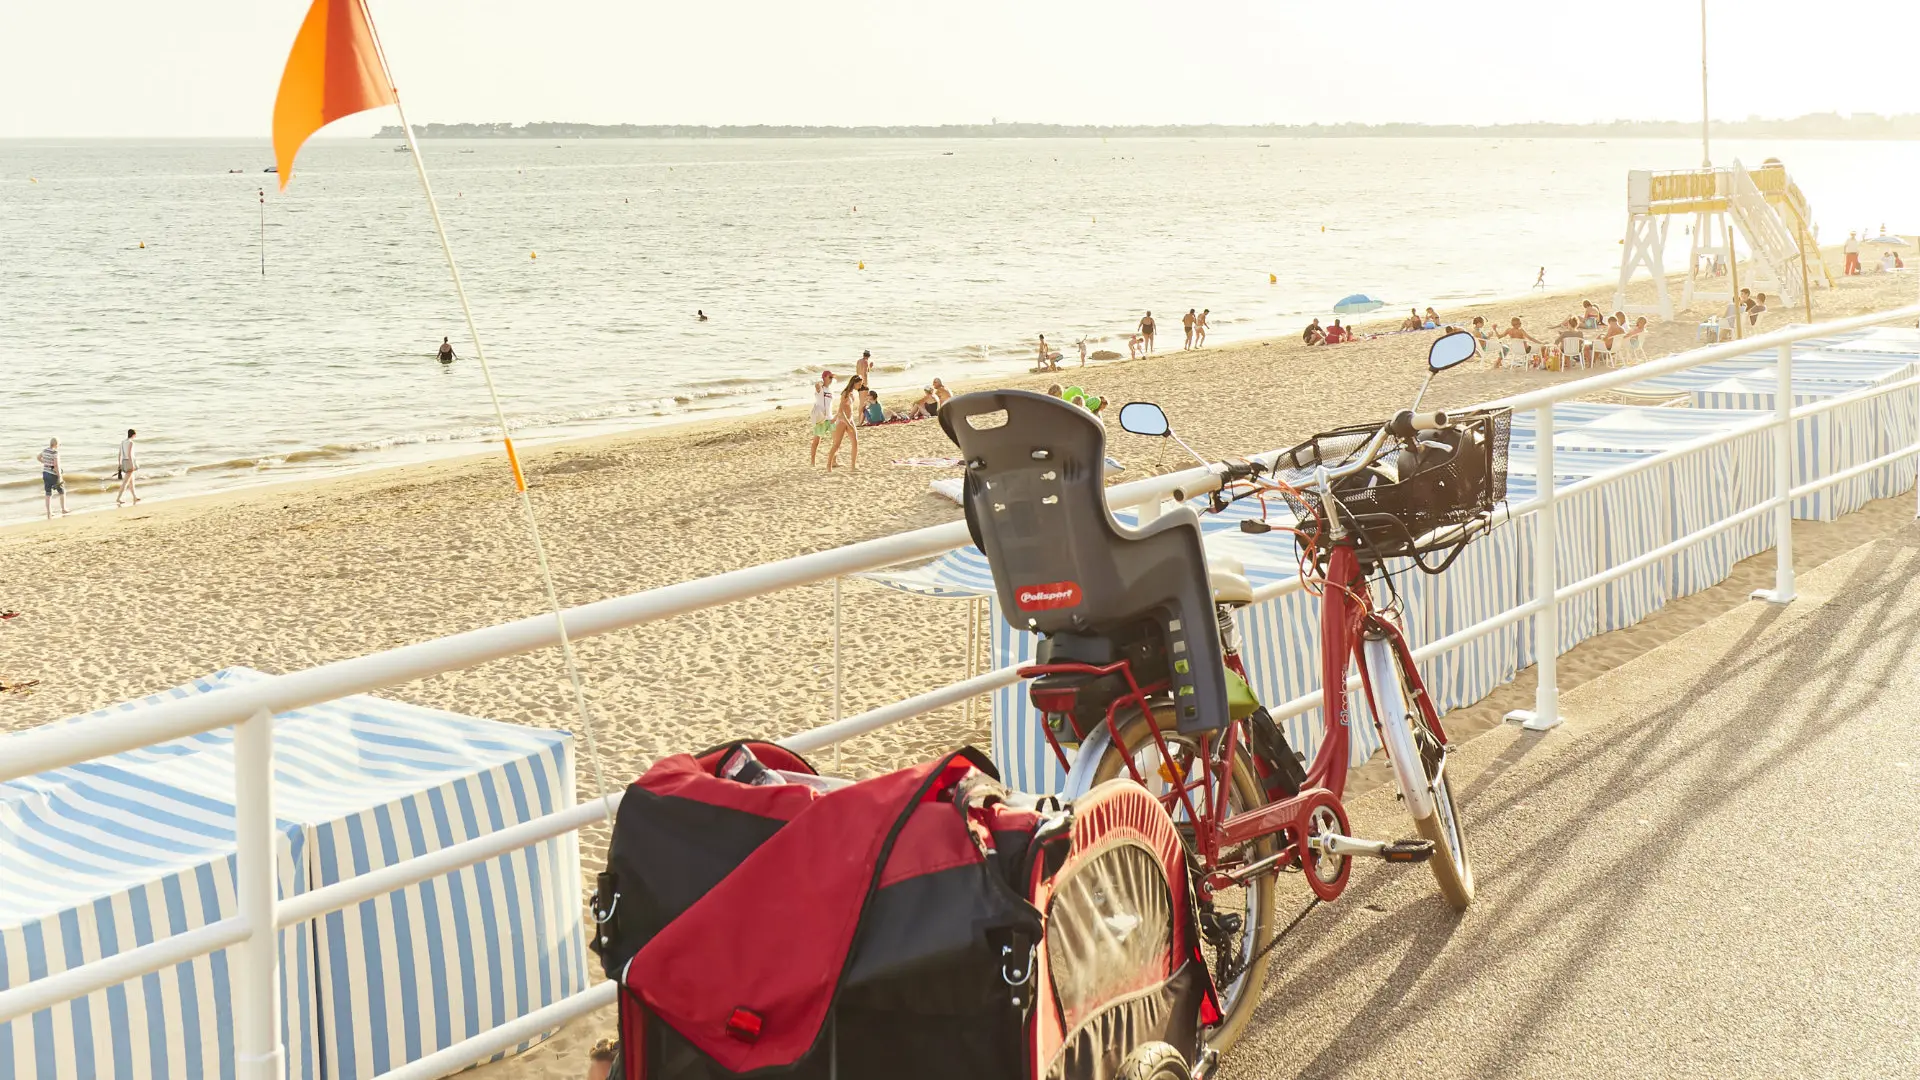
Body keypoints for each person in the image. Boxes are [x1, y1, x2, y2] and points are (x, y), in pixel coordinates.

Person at [827, 376, 863, 471]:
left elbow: (844, 408)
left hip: (850, 419)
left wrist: (849, 422)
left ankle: (853, 466)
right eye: (859, 384)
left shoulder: (852, 393)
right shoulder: (845, 394)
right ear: (854, 383)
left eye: (861, 384)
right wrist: (847, 424)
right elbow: (841, 411)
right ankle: (829, 465)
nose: (860, 386)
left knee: (855, 442)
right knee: (837, 444)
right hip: (843, 420)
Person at [808, 371, 835, 466]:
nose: (831, 379)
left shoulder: (830, 390)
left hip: (830, 418)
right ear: (824, 377)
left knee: (836, 440)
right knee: (816, 441)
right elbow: (817, 386)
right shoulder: (820, 389)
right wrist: (821, 382)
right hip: (821, 418)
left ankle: (834, 461)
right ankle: (812, 462)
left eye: (832, 377)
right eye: (830, 377)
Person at [38, 437, 68, 519]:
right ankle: (63, 509)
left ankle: (49, 512)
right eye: (59, 444)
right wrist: (60, 476)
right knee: (62, 491)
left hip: (45, 473)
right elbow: (56, 465)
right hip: (53, 474)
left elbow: (38, 457)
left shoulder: (45, 450)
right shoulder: (55, 452)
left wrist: (45, 463)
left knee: (48, 493)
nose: (59, 446)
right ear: (56, 444)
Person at [116, 429, 139, 506]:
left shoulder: (122, 442)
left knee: (131, 481)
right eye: (135, 435)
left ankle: (135, 497)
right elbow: (129, 454)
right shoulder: (131, 443)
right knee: (125, 482)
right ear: (133, 435)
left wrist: (119, 464)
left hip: (124, 462)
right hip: (129, 462)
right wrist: (132, 465)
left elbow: (119, 454)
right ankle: (118, 498)